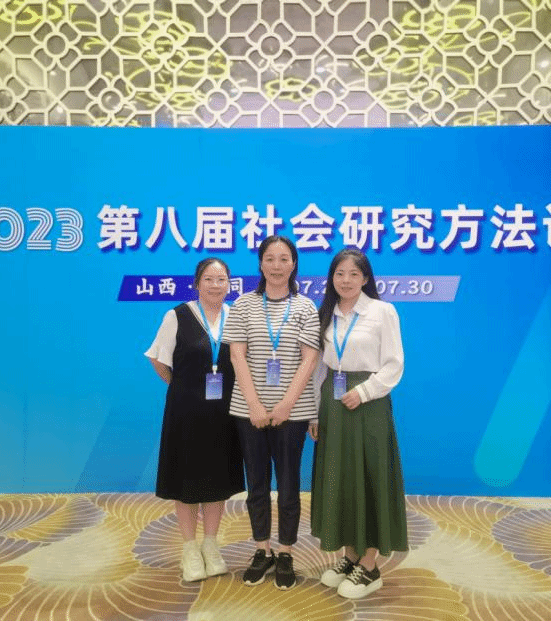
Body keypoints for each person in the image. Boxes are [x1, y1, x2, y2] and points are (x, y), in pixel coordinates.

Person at [309, 248, 408, 599]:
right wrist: (314, 412)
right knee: (340, 478)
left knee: (369, 477)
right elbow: (319, 369)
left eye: (354, 274)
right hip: (333, 406)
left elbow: (394, 363)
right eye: (340, 274)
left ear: (365, 278)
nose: (346, 280)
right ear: (331, 278)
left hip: (368, 405)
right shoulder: (327, 313)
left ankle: (370, 565)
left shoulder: (382, 311)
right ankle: (350, 557)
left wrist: (364, 392)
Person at [223, 235, 320, 590]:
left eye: (284, 259)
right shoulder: (243, 305)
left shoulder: (306, 307)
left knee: (290, 484)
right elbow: (237, 355)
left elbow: (310, 359)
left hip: (292, 412)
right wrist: (253, 404)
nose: (277, 266)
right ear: (260, 263)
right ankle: (261, 549)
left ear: (294, 264)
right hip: (248, 410)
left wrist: (285, 405)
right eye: (270, 258)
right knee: (257, 484)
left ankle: (286, 552)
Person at [145, 257, 245, 582]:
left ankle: (211, 545)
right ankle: (189, 549)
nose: (215, 285)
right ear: (197, 283)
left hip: (224, 414)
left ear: (229, 284)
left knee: (217, 479)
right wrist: (182, 388)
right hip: (185, 412)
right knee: (185, 480)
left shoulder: (236, 317)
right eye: (208, 279)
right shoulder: (177, 315)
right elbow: (158, 360)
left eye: (221, 279)